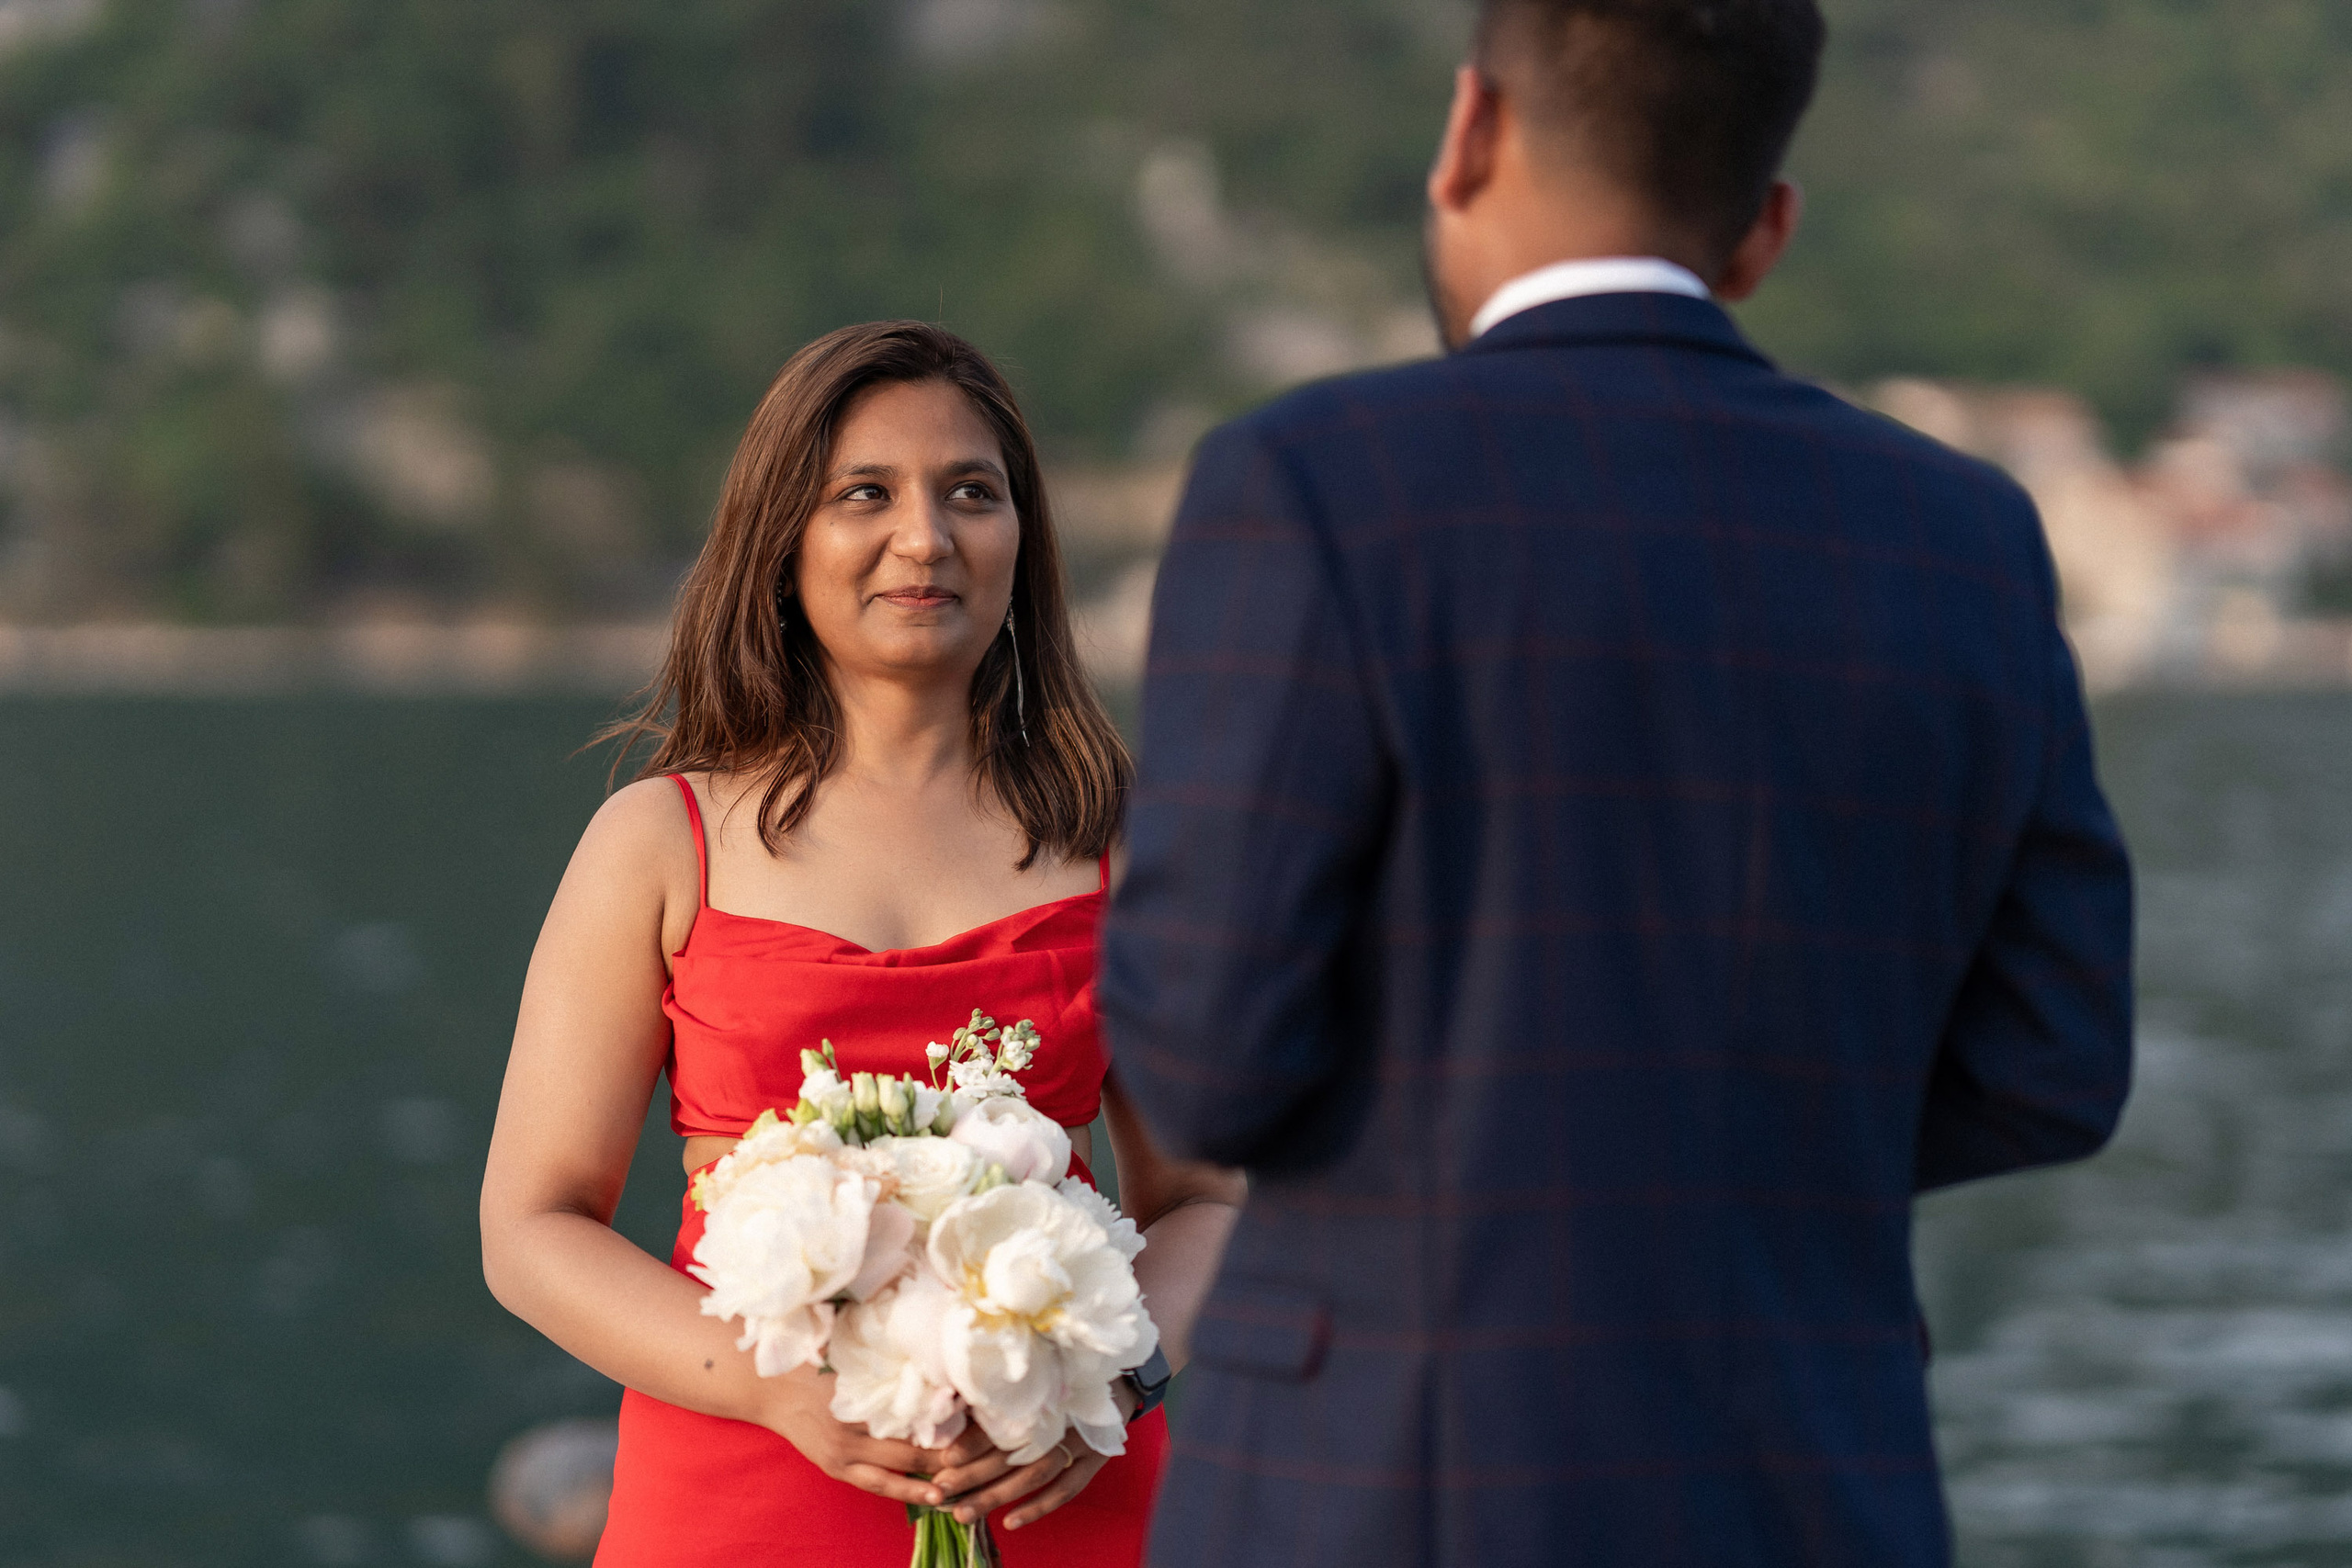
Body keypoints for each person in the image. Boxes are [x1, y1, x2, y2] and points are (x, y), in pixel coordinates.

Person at [1100, 2, 2134, 1564]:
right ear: (1767, 225)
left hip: (1393, 1487)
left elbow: (1205, 1064)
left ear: (1471, 134)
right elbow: (2054, 1056)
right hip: (1815, 1479)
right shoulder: (1964, 535)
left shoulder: (1309, 485)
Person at [481, 321, 1244, 1565]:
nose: (926, 537)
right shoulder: (658, 842)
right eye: (866, 495)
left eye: (973, 495)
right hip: (737, 1486)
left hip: (1064, 1492)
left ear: (1022, 543)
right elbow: (532, 1225)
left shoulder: (1129, 852)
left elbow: (1207, 1195)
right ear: (786, 541)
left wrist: (1116, 1375)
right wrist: (774, 1390)